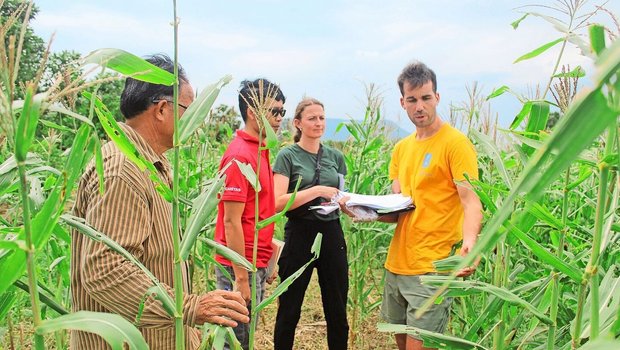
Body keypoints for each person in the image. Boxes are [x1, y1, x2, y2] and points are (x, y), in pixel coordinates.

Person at [71, 54, 250, 349]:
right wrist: (189, 306)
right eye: (189, 110)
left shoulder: (149, 164)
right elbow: (106, 269)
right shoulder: (123, 169)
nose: (194, 122)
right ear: (162, 109)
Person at [380, 61, 483, 350]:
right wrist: (366, 211)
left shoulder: (455, 144)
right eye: (412, 100)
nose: (420, 106)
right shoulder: (401, 149)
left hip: (432, 268)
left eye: (426, 97)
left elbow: (470, 200)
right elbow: (399, 208)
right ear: (402, 102)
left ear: (437, 97)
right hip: (397, 265)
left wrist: (471, 244)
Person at [214, 78, 286, 349]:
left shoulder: (261, 151)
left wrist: (267, 258)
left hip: (255, 262)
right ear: (253, 112)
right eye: (274, 111)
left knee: (245, 337)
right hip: (238, 267)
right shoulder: (240, 155)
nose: (280, 118)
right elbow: (231, 220)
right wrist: (241, 278)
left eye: (282, 111)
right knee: (235, 341)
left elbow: (257, 214)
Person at [273, 97, 349, 350]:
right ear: (298, 123)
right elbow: (277, 202)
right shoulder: (287, 155)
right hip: (300, 232)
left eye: (322, 118)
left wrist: (353, 205)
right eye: (312, 118)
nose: (318, 123)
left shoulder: (336, 157)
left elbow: (341, 196)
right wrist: (315, 190)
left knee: (337, 307)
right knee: (290, 307)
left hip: (331, 232)